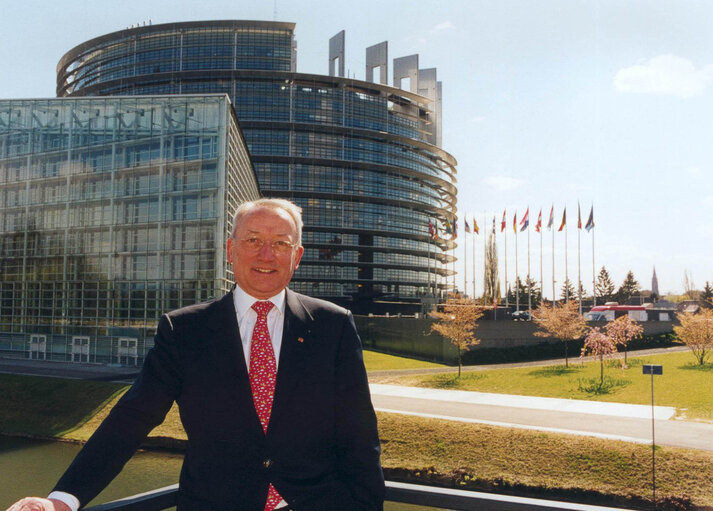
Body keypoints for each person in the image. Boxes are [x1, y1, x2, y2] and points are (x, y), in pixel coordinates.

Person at [7, 198, 384, 511]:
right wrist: (63, 499)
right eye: (253, 240)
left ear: (297, 256)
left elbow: (360, 434)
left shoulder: (333, 325)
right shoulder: (184, 330)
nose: (267, 254)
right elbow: (132, 417)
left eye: (281, 243)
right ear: (230, 249)